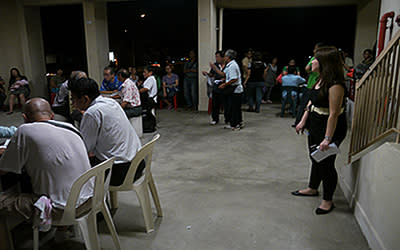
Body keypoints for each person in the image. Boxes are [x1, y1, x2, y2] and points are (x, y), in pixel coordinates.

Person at [0, 98, 93, 228]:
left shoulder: (24, 130)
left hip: (60, 210)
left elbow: (3, 170)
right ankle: (62, 233)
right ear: (52, 116)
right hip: (89, 201)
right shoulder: (71, 127)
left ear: (24, 117)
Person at [293, 47, 347, 215]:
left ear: (325, 63)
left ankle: (327, 200)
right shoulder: (320, 79)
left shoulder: (335, 84)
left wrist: (328, 138)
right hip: (315, 124)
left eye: (315, 59)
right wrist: (302, 121)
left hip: (330, 128)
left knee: (326, 164)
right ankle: (312, 187)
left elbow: (333, 114)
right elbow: (312, 103)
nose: (312, 62)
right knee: (315, 158)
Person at [68, 78, 143, 186]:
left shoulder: (92, 113)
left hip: (121, 171)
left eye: (73, 100)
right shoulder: (110, 102)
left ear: (85, 99)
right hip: (137, 162)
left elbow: (85, 148)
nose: (73, 104)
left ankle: (95, 201)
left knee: (75, 168)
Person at [211, 49, 243, 130]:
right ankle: (237, 122)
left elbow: (234, 79)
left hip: (235, 89)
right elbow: (225, 74)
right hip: (234, 89)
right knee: (235, 107)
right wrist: (216, 69)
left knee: (234, 108)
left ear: (228, 57)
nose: (224, 57)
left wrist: (224, 84)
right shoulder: (229, 65)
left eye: (225, 56)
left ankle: (235, 124)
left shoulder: (232, 66)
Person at [203, 50, 226, 125]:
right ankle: (215, 119)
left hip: (225, 86)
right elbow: (212, 74)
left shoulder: (228, 65)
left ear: (223, 57)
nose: (216, 58)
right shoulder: (215, 65)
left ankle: (228, 119)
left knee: (226, 104)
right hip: (216, 86)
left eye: (218, 57)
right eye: (216, 57)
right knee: (215, 104)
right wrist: (207, 74)